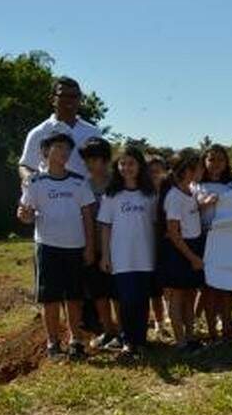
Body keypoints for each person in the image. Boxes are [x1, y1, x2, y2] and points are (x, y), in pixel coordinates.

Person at [16, 133, 96, 361]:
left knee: (74, 297)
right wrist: (24, 215)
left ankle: (76, 340)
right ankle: (52, 343)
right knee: (49, 298)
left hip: (75, 247)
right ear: (45, 151)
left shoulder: (79, 182)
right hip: (48, 247)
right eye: (58, 147)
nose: (64, 152)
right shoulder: (34, 182)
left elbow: (88, 216)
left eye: (67, 149)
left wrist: (90, 247)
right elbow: (26, 214)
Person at [97, 145, 157, 356]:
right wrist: (105, 255)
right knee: (126, 301)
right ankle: (127, 340)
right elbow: (105, 227)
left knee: (142, 300)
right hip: (121, 258)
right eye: (122, 163)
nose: (126, 167)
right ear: (117, 166)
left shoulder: (149, 195)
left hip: (145, 257)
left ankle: (140, 340)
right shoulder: (111, 196)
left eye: (131, 163)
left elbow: (154, 225)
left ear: (140, 166)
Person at [158, 150, 206, 350]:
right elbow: (173, 231)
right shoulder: (174, 196)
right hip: (180, 250)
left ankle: (190, 336)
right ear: (188, 170)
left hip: (192, 247)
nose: (203, 170)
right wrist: (192, 257)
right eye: (199, 167)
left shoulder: (190, 191)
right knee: (177, 297)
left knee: (190, 295)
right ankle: (180, 341)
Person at [78, 137, 120, 348]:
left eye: (94, 160)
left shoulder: (118, 184)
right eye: (87, 160)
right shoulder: (82, 185)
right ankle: (109, 331)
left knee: (117, 292)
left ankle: (122, 331)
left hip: (118, 246)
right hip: (91, 246)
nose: (90, 164)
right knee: (98, 292)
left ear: (105, 160)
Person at [19, 77, 102, 181]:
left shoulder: (93, 133)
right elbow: (26, 166)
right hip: (48, 195)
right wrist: (33, 183)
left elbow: (102, 168)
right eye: (63, 95)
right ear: (52, 99)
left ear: (80, 99)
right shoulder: (39, 132)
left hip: (84, 195)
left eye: (74, 96)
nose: (69, 100)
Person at [195, 144, 232, 343]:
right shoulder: (195, 186)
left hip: (227, 241)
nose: (215, 164)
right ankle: (211, 329)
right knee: (209, 287)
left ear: (226, 163)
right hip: (203, 240)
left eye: (220, 159)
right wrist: (200, 204)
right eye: (211, 159)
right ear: (204, 162)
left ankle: (227, 327)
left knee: (226, 287)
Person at [146, 155, 169, 335]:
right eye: (151, 171)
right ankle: (159, 323)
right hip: (147, 242)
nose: (155, 174)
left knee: (169, 284)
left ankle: (171, 317)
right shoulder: (142, 193)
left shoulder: (170, 192)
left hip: (167, 241)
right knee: (154, 288)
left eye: (159, 170)